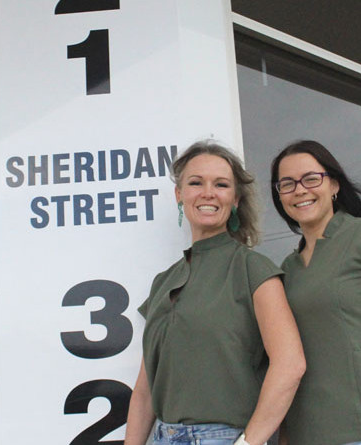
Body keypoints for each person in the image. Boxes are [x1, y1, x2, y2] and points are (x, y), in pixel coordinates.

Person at [125, 141, 306, 445]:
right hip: (161, 436)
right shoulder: (163, 282)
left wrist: (249, 442)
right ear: (179, 195)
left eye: (220, 184)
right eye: (196, 182)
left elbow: (290, 365)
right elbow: (145, 392)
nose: (208, 192)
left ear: (234, 200)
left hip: (222, 437)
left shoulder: (253, 270)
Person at [270, 140, 361, 445]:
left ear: (334, 185)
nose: (299, 190)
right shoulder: (287, 269)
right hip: (306, 435)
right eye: (287, 184)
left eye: (311, 179)